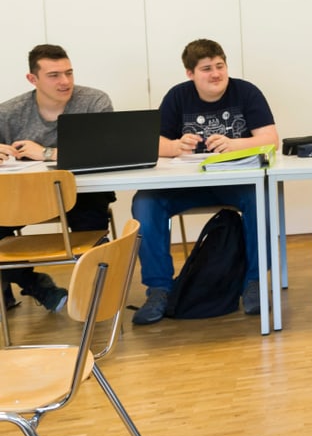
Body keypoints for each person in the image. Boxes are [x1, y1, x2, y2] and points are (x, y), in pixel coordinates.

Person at [131, 39, 279, 325]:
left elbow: (271, 139)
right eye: (207, 69)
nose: (216, 74)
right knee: (145, 201)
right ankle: (159, 290)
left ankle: (254, 282)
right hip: (186, 185)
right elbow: (152, 142)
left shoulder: (246, 92)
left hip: (235, 182)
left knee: (260, 196)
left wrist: (233, 144)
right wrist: (176, 146)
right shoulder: (177, 96)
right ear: (190, 74)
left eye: (220, 66)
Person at [0, 44, 116, 312]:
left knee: (91, 224)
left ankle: (96, 294)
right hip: (26, 198)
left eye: (69, 73)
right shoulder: (9, 113)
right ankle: (36, 285)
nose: (65, 82)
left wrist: (46, 153)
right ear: (33, 79)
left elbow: (106, 151)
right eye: (54, 75)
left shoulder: (94, 101)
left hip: (83, 194)